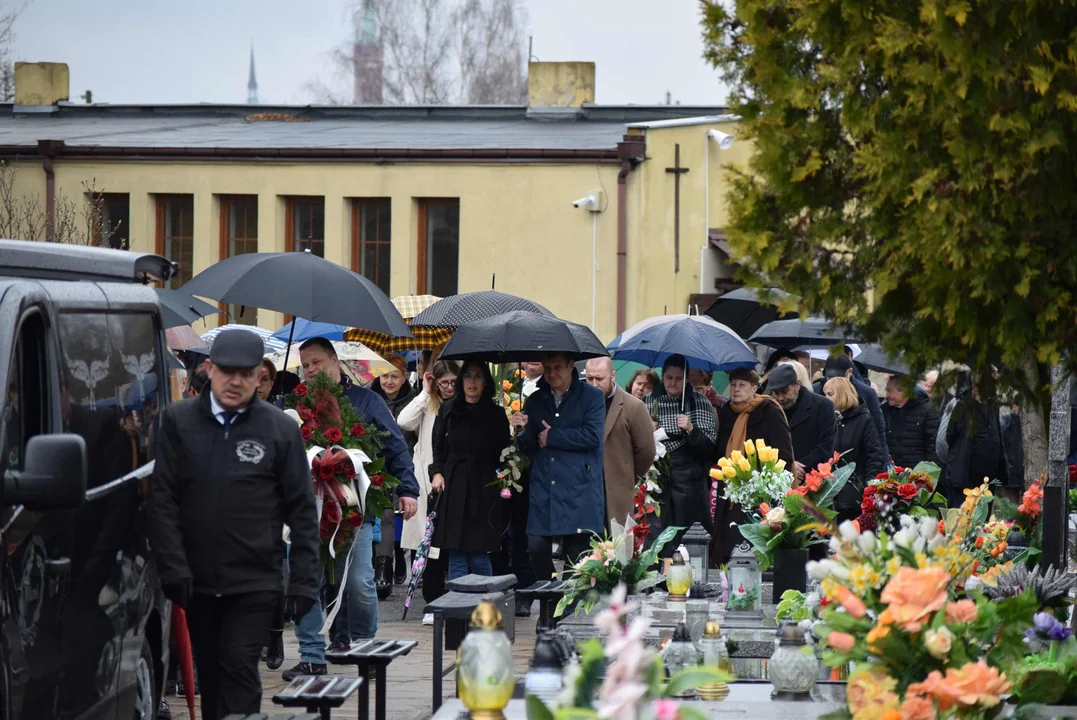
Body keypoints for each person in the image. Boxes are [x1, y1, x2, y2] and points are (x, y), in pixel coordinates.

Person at [150, 329, 319, 720]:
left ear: (260, 375)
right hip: (196, 579)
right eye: (227, 371)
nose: (236, 381)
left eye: (245, 373)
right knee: (210, 676)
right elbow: (161, 500)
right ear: (209, 369)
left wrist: (305, 579)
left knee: (239, 668)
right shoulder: (177, 422)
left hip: (255, 579)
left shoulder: (279, 429)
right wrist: (172, 566)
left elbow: (301, 509)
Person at [282, 337, 419, 680]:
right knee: (307, 582)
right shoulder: (295, 406)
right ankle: (312, 655)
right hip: (307, 510)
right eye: (305, 365)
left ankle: (364, 647)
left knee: (359, 582)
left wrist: (407, 489)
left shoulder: (366, 400)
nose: (310, 370)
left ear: (334, 361)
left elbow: (395, 445)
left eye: (316, 363)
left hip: (355, 508)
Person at [513, 352, 605, 580]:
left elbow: (593, 436)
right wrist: (521, 430)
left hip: (579, 489)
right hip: (545, 488)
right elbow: (530, 447)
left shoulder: (592, 397)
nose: (552, 373)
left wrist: (553, 436)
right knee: (535, 547)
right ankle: (551, 598)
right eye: (548, 368)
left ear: (571, 366)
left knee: (577, 559)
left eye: (557, 367)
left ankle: (566, 610)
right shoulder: (536, 400)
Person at [429, 361, 511, 580]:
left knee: (479, 553)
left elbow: (504, 453)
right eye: (467, 376)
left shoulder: (496, 413)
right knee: (456, 552)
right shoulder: (448, 409)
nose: (472, 382)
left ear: (486, 383)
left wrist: (518, 430)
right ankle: (457, 606)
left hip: (483, 485)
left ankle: (484, 604)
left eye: (477, 377)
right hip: (454, 483)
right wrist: (436, 473)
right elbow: (437, 446)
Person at [712, 367, 794, 565]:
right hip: (731, 485)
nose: (736, 389)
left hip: (760, 487)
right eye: (733, 385)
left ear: (754, 388)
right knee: (729, 540)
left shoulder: (769, 410)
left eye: (742, 385)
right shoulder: (726, 412)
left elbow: (783, 452)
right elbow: (719, 448)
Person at [398, 359, 459, 623]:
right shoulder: (429, 404)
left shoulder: (462, 406)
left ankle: (453, 599)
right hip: (428, 480)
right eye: (443, 382)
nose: (448, 387)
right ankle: (432, 601)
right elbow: (403, 421)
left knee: (449, 543)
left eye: (453, 382)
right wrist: (424, 392)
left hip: (455, 479)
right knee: (430, 543)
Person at [643, 355, 718, 554]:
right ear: (662, 376)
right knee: (657, 533)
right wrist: (645, 428)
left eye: (678, 379)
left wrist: (691, 429)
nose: (673, 383)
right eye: (669, 378)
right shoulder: (647, 402)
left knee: (689, 535)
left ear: (686, 379)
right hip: (656, 480)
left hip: (690, 481)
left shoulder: (700, 403)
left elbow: (709, 448)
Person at [585, 357, 656, 527]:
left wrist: (624, 473)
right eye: (589, 379)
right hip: (584, 495)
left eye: (600, 379)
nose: (594, 384)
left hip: (616, 494)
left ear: (613, 376)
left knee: (616, 549)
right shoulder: (579, 403)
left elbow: (646, 452)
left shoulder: (634, 407)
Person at [370, 353, 418, 594]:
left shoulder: (413, 399)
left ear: (404, 378)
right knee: (385, 516)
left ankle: (399, 557)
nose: (388, 381)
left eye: (394, 377)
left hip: (402, 462)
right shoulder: (371, 399)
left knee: (401, 516)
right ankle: (383, 568)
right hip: (378, 465)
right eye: (384, 376)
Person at [824, 376, 882, 521]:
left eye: (830, 394)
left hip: (853, 495)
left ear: (843, 394)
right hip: (827, 494)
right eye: (824, 394)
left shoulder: (863, 419)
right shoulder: (826, 419)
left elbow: (873, 456)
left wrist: (869, 490)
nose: (825, 398)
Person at [768, 363, 837, 482]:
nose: (780, 398)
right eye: (776, 393)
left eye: (784, 392)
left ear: (797, 385)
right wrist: (786, 465)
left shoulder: (822, 406)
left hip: (812, 480)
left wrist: (798, 466)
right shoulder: (770, 409)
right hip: (777, 479)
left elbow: (826, 446)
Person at [822, 354, 890, 470]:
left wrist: (883, 466)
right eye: (829, 378)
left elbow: (878, 434)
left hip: (858, 467)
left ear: (849, 373)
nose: (834, 382)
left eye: (839, 377)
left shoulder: (866, 393)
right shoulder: (819, 391)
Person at [881, 375, 941, 469]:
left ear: (903, 391)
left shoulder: (928, 411)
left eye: (890, 391)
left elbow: (933, 447)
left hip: (918, 475)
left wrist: (927, 474)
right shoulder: (884, 410)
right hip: (891, 473)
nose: (887, 395)